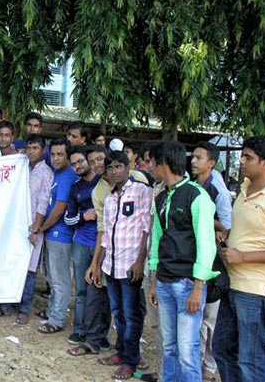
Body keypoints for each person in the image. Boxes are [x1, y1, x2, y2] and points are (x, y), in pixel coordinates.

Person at [213, 136, 265, 382]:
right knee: (222, 349)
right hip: (232, 284)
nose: (241, 161)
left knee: (250, 359)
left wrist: (244, 256)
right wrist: (228, 235)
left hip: (256, 290)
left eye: (248, 157)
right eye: (242, 156)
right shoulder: (244, 189)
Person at [147, 141, 219, 382]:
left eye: (152, 162)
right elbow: (157, 240)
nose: (150, 167)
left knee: (188, 350)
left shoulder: (197, 196)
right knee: (170, 346)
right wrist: (154, 281)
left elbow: (206, 244)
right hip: (165, 282)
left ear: (163, 164)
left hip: (187, 283)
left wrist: (198, 287)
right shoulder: (161, 198)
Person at [95, 151, 152, 380]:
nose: (114, 171)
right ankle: (121, 352)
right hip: (111, 265)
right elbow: (106, 233)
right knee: (118, 313)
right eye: (110, 168)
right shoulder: (109, 198)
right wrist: (99, 263)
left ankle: (131, 360)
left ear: (128, 167)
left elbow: (147, 228)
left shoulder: (141, 191)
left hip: (130, 266)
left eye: (118, 166)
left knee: (131, 315)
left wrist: (140, 261)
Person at [0, 135, 51, 324]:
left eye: (35, 148)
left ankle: (24, 308)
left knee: (29, 270)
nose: (31, 152)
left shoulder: (46, 172)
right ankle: (5, 305)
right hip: (14, 225)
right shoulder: (21, 166)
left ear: (43, 151)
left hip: (32, 227)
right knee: (10, 264)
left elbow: (44, 202)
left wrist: (36, 229)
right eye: (29, 148)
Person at [191, 141, 233, 381]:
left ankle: (209, 366)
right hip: (194, 255)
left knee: (210, 316)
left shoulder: (217, 188)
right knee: (198, 318)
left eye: (199, 158)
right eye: (193, 157)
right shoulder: (194, 183)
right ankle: (196, 364)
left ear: (211, 163)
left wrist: (203, 217)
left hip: (213, 258)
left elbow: (227, 224)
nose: (193, 161)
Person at [37, 138, 78, 335]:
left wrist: (42, 227)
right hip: (53, 232)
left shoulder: (68, 176)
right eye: (53, 154)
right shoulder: (57, 173)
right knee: (52, 276)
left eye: (60, 154)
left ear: (68, 155)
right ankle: (52, 310)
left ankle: (57, 319)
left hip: (60, 233)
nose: (56, 158)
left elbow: (60, 208)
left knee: (59, 278)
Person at [63, 146, 101, 347]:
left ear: (89, 160)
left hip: (103, 245)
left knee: (101, 291)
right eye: (74, 164)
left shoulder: (104, 182)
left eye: (80, 161)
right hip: (81, 243)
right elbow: (68, 219)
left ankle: (99, 335)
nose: (77, 166)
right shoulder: (75, 188)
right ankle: (79, 330)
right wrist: (83, 216)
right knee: (81, 291)